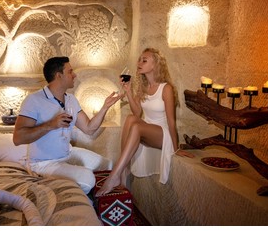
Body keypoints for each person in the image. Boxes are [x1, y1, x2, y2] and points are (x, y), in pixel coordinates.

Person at [13, 56, 122, 194]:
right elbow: (18, 138)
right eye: (70, 71)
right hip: (43, 162)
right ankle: (53, 185)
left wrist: (105, 107)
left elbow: (89, 128)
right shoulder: (34, 100)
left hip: (67, 154)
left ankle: (69, 180)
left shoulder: (71, 99)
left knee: (108, 164)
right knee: (88, 178)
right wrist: (51, 125)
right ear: (59, 75)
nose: (75, 75)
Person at [95, 48, 194, 196]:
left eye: (144, 60)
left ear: (155, 65)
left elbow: (171, 121)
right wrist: (128, 91)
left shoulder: (166, 88)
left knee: (135, 126)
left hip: (162, 134)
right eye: (139, 59)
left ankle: (115, 175)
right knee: (130, 119)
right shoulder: (144, 87)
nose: (139, 63)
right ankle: (122, 175)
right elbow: (136, 113)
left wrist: (176, 148)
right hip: (147, 129)